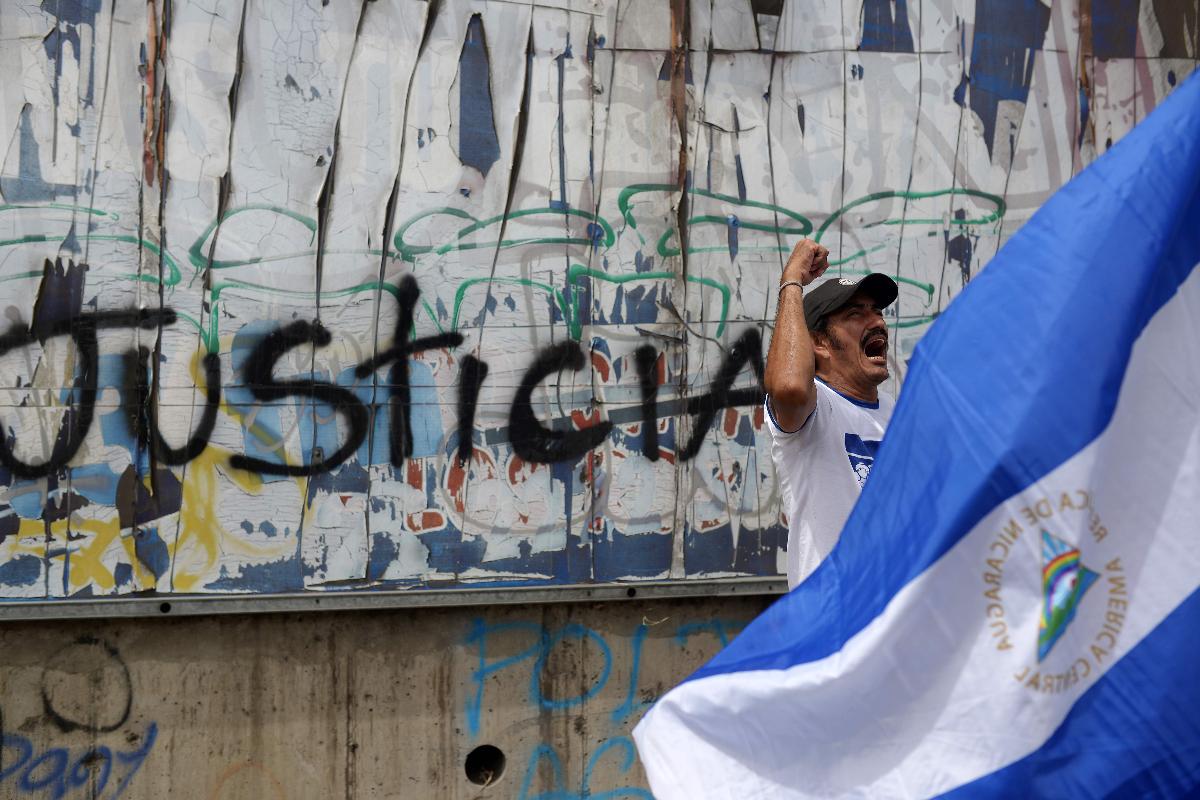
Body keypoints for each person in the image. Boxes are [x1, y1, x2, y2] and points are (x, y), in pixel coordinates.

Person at [764, 239, 899, 589]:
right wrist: (792, 279)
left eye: (878, 311)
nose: (877, 322)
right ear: (819, 344)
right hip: (833, 628)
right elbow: (790, 387)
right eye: (856, 314)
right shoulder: (816, 408)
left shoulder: (899, 414)